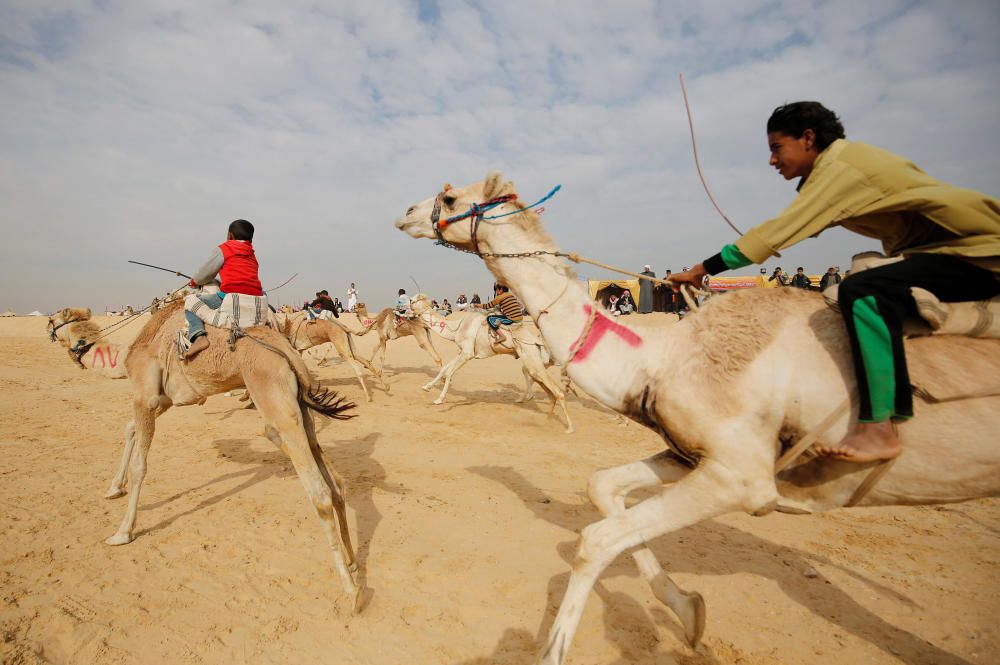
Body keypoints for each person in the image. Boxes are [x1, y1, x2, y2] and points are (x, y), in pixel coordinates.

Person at [670, 100, 1000, 463]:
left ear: (808, 138)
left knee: (862, 292)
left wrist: (703, 269)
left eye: (776, 148)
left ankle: (878, 428)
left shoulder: (840, 169)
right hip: (947, 252)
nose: (772, 161)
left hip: (978, 250)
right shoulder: (835, 173)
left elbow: (776, 232)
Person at [184, 219, 263, 359]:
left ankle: (198, 336)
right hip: (256, 297)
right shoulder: (252, 254)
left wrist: (195, 282)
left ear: (230, 236)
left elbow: (204, 274)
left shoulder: (224, 248)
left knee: (190, 302)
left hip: (230, 297)